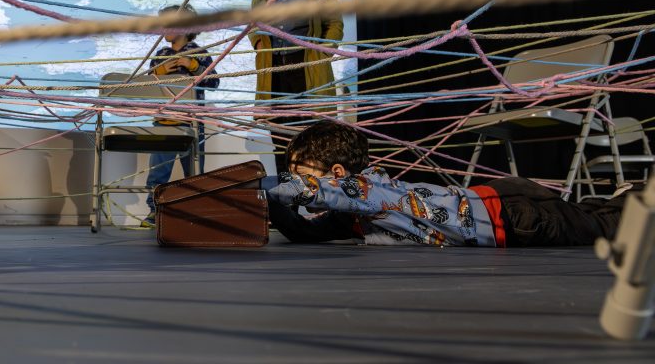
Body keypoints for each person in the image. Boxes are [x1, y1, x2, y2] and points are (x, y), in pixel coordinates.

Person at [266, 119, 629, 247]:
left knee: (607, 226)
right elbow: (308, 233)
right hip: (500, 206)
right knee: (586, 215)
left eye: (304, 172)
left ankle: (637, 197)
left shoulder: (366, 189)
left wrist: (261, 183)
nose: (299, 180)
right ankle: (622, 198)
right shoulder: (349, 215)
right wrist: (271, 206)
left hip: (514, 219)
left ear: (338, 175)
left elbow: (316, 191)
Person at [249, 0, 343, 176]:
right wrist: (259, 44)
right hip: (274, 72)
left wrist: (322, 54)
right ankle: (288, 200)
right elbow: (253, 25)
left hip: (307, 67)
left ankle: (317, 202)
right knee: (280, 138)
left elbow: (334, 23)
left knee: (312, 136)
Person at [141, 4, 220, 228]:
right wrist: (159, 72)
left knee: (193, 172)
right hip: (164, 122)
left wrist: (193, 65)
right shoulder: (160, 55)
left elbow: (214, 82)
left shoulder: (199, 52)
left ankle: (194, 213)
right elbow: (147, 87)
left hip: (192, 123)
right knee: (158, 171)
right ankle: (153, 212)